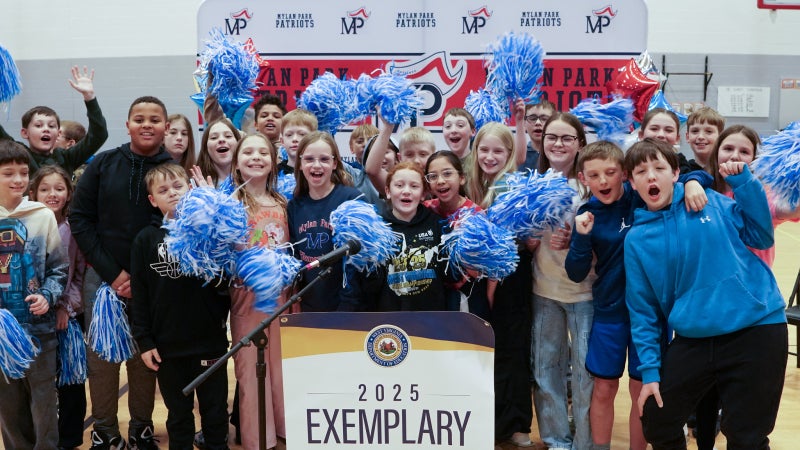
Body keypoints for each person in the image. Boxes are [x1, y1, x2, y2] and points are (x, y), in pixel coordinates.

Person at [623, 138, 787, 450]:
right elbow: (643, 313)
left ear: (675, 173)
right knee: (658, 422)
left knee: (746, 438)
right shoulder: (637, 239)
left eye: (659, 168)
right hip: (694, 337)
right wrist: (651, 374)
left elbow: (762, 237)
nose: (651, 176)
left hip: (756, 327)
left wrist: (744, 183)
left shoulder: (708, 200)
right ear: (632, 182)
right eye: (641, 172)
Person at [70, 95, 174, 449]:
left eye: (154, 119)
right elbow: (80, 218)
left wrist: (142, 279)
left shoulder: (173, 170)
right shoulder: (103, 164)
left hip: (154, 281)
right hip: (102, 279)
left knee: (145, 357)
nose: (147, 125)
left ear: (166, 127)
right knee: (101, 359)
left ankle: (141, 428)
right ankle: (104, 430)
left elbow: (178, 224)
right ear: (127, 124)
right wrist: (113, 274)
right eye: (139, 119)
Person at [130, 163, 230, 450]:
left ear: (191, 189)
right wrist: (144, 341)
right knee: (178, 416)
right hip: (168, 347)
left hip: (209, 343)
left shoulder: (208, 232)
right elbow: (140, 294)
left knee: (215, 413)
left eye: (178, 186)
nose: (172, 193)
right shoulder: (145, 239)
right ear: (153, 200)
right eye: (163, 190)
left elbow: (224, 283)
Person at [465, 122, 535, 448]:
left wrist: (493, 284)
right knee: (490, 351)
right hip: (483, 278)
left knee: (511, 350)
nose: (490, 156)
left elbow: (510, 242)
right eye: (484, 149)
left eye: (498, 151)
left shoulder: (510, 185)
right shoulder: (477, 186)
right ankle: (493, 421)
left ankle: (518, 424)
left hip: (508, 278)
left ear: (510, 155)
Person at [531, 112, 593, 450]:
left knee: (585, 374)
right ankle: (557, 440)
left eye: (567, 138)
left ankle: (584, 442)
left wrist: (579, 240)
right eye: (551, 137)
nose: (558, 143)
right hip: (544, 290)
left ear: (580, 144)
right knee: (546, 369)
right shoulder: (532, 185)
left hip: (585, 294)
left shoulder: (590, 186)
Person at [0, 141, 68, 449]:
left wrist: (47, 296)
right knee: (8, 405)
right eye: (8, 173)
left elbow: (59, 269)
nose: (18, 180)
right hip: (2, 336)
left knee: (44, 404)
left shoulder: (42, 215)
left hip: (39, 330)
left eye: (24, 172)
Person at [339, 162, 453, 312]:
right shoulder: (376, 229)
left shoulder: (437, 224)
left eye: (414, 186)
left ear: (423, 194)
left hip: (431, 317)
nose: (406, 191)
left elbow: (450, 276)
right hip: (388, 318)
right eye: (399, 185)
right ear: (388, 191)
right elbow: (368, 287)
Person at [29, 165, 88, 450]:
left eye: (59, 188)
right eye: (45, 189)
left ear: (69, 193)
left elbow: (79, 276)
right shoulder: (25, 228)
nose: (52, 194)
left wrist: (65, 307)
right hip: (31, 320)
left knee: (71, 384)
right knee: (39, 387)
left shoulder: (73, 230)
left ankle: (69, 439)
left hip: (66, 320)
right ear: (33, 193)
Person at [287, 131, 361, 312]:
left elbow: (360, 261)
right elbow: (295, 257)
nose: (316, 165)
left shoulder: (351, 200)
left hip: (348, 307)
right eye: (309, 159)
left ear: (335, 163)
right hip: (309, 305)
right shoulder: (295, 206)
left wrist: (348, 305)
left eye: (324, 159)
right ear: (300, 164)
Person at [0, 66, 107, 177]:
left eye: (51, 126)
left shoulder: (67, 158)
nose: (46, 129)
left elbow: (99, 135)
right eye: (38, 125)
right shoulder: (20, 154)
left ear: (58, 133)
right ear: (25, 133)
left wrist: (90, 98)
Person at [365, 114, 436, 193]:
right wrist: (388, 127)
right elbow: (372, 171)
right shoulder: (394, 182)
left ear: (433, 157)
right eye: (409, 155)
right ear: (400, 158)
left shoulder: (439, 182)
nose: (416, 161)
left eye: (423, 154)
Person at [196, 118, 241, 187]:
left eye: (228, 136)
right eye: (214, 137)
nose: (221, 139)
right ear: (206, 148)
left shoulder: (252, 180)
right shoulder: (196, 185)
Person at [515, 99, 556, 172]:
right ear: (524, 123)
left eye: (544, 119)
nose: (538, 123)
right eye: (532, 118)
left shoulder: (560, 153)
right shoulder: (517, 156)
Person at [276, 108, 317, 175]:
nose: (295, 139)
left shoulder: (319, 171)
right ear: (282, 141)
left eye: (302, 134)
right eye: (289, 135)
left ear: (313, 139)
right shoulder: (274, 174)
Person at [684, 106, 725, 171]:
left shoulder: (728, 171)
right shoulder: (681, 171)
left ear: (721, 137)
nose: (701, 137)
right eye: (695, 131)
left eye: (709, 131)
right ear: (687, 137)